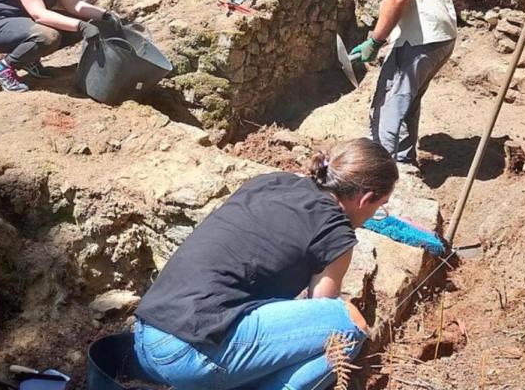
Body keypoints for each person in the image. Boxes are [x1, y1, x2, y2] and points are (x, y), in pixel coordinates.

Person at [133, 138, 399, 390]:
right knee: (347, 325)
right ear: (365, 199)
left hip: (145, 339)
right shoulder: (336, 232)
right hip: (187, 355)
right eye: (380, 206)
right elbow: (323, 319)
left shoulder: (272, 182)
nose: (374, 215)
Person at [335, 0, 462, 170]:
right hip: (443, 34)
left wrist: (375, 41)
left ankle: (380, 186)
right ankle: (404, 166)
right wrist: (433, 6)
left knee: (386, 111)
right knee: (408, 101)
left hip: (418, 40)